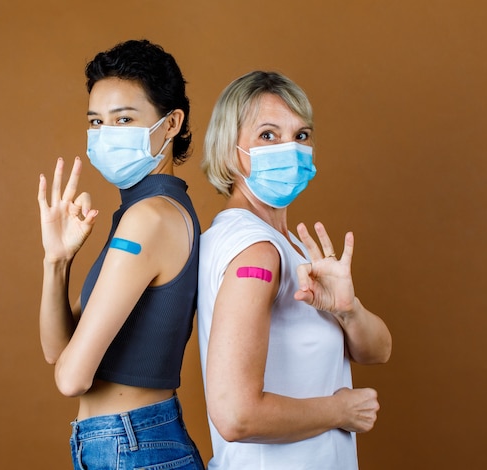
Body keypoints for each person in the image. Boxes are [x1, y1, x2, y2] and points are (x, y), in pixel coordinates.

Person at [197, 70, 392, 469]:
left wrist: (347, 309)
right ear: (229, 149)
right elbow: (237, 415)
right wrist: (339, 412)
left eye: (301, 135)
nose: (290, 148)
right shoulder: (257, 252)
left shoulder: (291, 246)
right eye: (268, 135)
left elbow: (378, 351)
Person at [37, 39, 204, 470]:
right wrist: (57, 261)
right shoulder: (140, 211)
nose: (106, 134)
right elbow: (58, 351)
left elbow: (71, 378)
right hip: (123, 444)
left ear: (171, 124)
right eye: (96, 121)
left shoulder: (149, 218)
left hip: (134, 447)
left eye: (124, 119)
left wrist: (71, 366)